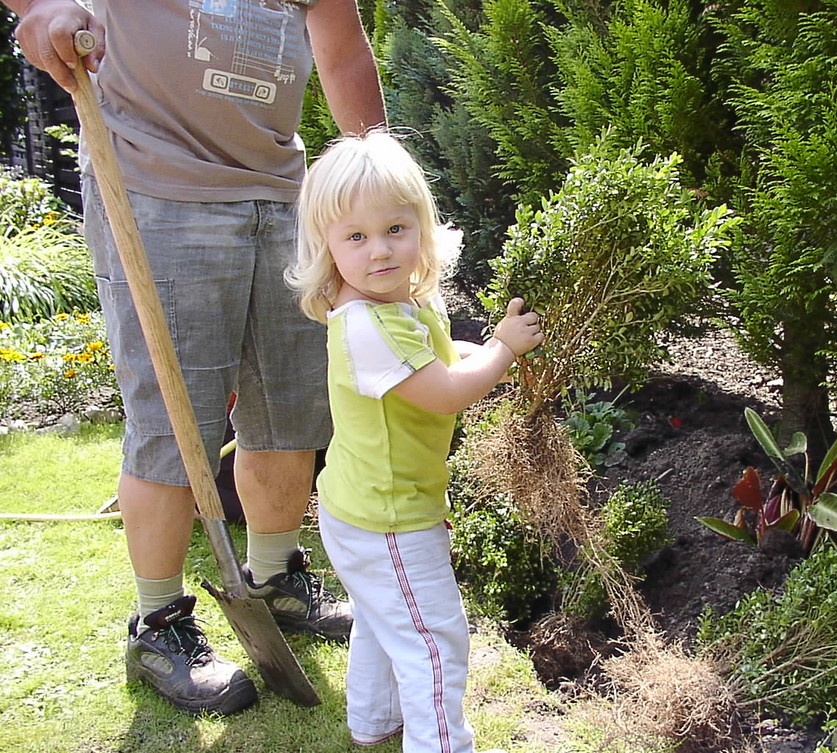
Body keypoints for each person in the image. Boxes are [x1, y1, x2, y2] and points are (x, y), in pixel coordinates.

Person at [5, 0, 386, 716]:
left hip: (282, 191)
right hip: (154, 181)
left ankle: (274, 578)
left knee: (291, 408)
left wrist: (378, 170)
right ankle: (158, 624)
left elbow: (341, 55)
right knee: (173, 421)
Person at [286, 130, 541, 752]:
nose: (379, 250)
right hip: (389, 518)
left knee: (385, 620)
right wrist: (505, 349)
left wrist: (482, 350)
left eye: (395, 229)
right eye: (356, 237)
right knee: (433, 641)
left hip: (365, 508)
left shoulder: (400, 306)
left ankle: (372, 723)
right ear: (328, 248)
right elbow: (446, 391)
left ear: (422, 228)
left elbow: (442, 357)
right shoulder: (370, 326)